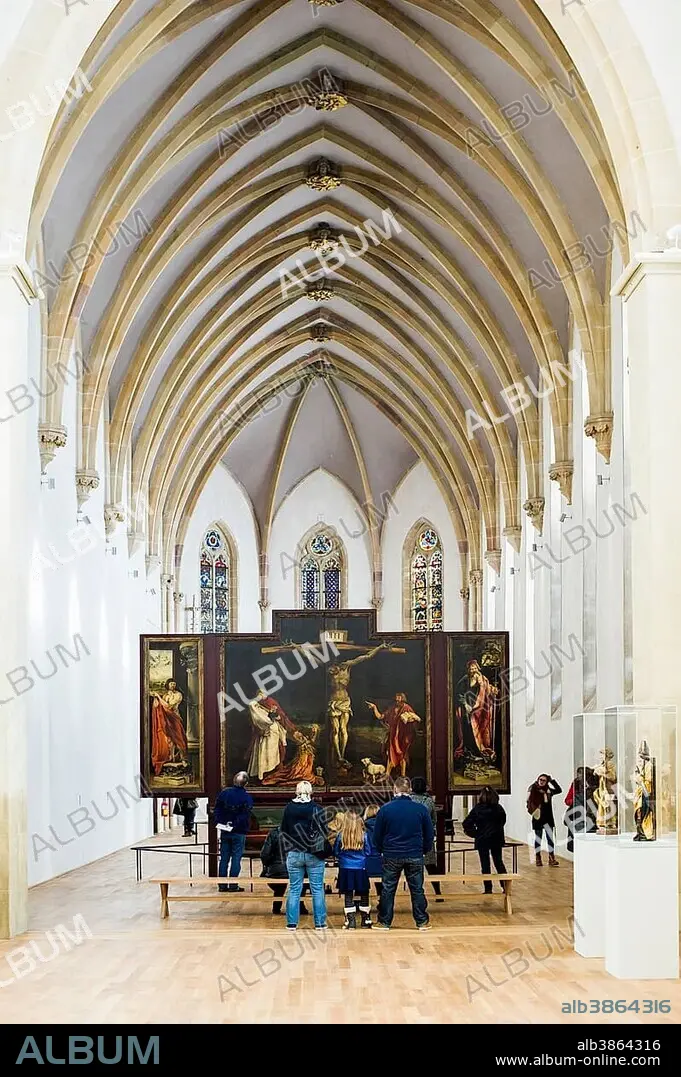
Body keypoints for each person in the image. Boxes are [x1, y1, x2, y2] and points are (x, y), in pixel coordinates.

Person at [372, 776, 434, 931]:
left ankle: (384, 922)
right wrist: (424, 850)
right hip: (415, 854)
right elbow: (429, 834)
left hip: (391, 854)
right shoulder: (420, 809)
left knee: (388, 889)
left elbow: (377, 835)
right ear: (410, 790)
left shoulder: (385, 809)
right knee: (417, 889)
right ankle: (422, 921)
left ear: (394, 789)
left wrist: (381, 850)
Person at [327, 643, 388, 764]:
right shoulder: (329, 669)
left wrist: (380, 647)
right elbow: (310, 657)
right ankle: (338, 756)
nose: (332, 671)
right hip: (334, 702)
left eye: (334, 669)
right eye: (331, 670)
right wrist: (297, 647)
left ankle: (342, 755)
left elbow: (367, 656)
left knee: (344, 730)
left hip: (345, 702)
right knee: (335, 730)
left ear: (339, 665)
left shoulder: (347, 666)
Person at [280, 780, 329, 930]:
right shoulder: (316, 808)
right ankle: (320, 923)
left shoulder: (289, 808)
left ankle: (291, 923)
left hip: (294, 852)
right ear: (311, 791)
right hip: (314, 853)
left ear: (296, 791)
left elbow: (283, 830)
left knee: (294, 889)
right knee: (317, 889)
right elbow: (325, 831)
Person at [462, 786, 507, 893]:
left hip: (482, 839)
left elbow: (466, 823)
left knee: (485, 864)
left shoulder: (478, 809)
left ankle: (488, 888)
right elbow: (502, 822)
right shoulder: (499, 808)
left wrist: (475, 833)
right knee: (499, 862)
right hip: (496, 838)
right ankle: (505, 886)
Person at [453, 659, 498, 764]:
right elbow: (459, 693)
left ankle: (478, 752)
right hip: (467, 708)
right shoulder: (465, 679)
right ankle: (469, 752)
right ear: (468, 670)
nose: (473, 670)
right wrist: (465, 704)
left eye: (474, 668)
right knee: (468, 729)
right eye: (471, 668)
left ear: (477, 668)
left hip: (479, 709)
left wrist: (493, 690)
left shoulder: (482, 679)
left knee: (479, 730)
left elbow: (487, 690)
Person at [214, 771, 253, 892]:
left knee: (224, 858)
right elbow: (245, 814)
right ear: (246, 783)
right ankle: (233, 885)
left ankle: (222, 885)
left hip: (225, 830)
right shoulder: (246, 797)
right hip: (239, 831)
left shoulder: (224, 793)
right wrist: (234, 824)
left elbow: (217, 809)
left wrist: (222, 822)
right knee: (236, 858)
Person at [366, 693, 422, 777]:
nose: (397, 701)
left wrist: (409, 719)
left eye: (399, 699)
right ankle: (387, 774)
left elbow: (415, 720)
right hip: (393, 735)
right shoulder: (392, 709)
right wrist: (374, 707)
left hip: (403, 735)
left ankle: (403, 776)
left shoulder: (407, 708)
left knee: (402, 754)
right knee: (391, 753)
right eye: (396, 699)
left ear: (403, 699)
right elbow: (380, 716)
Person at [259, 825, 308, 917]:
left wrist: (269, 864)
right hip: (297, 869)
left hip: (276, 870)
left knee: (279, 885)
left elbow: (264, 854)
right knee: (303, 880)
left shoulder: (274, 833)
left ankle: (276, 907)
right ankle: (300, 906)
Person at [335, 810, 372, 929]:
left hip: (345, 868)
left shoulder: (341, 835)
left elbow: (336, 852)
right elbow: (368, 852)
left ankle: (351, 921)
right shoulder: (364, 835)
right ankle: (365, 919)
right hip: (361, 867)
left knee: (348, 894)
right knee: (364, 893)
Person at [409, 777, 442, 900]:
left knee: (410, 868)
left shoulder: (408, 800)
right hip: (425, 837)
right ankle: (438, 892)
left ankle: (416, 894)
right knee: (431, 866)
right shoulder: (428, 801)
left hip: (410, 838)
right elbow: (434, 819)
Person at [150, 680, 188, 776]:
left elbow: (169, 707)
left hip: (175, 718)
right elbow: (161, 707)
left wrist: (158, 697)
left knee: (179, 738)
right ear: (168, 685)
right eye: (171, 684)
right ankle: (171, 758)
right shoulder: (165, 696)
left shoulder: (178, 695)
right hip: (167, 720)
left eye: (174, 684)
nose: (173, 685)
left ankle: (183, 759)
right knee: (170, 740)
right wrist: (156, 701)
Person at [246, 696, 288, 781]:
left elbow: (279, 717)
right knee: (264, 753)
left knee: (273, 754)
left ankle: (271, 771)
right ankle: (262, 773)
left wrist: (274, 714)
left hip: (273, 733)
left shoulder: (268, 704)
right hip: (265, 735)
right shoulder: (255, 708)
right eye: (260, 694)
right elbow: (260, 722)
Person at [527, 773, 562, 866]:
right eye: (540, 779)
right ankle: (538, 858)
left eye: (544, 780)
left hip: (548, 817)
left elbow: (559, 790)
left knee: (550, 838)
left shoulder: (548, 790)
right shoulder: (533, 789)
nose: (541, 782)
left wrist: (552, 781)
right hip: (538, 817)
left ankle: (551, 858)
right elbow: (528, 802)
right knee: (538, 838)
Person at [563, 766, 597, 851]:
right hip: (578, 815)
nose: (579, 775)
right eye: (578, 773)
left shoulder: (594, 784)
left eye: (581, 773)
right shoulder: (576, 783)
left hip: (591, 816)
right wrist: (576, 801)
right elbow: (567, 800)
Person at [363, 804, 383, 900]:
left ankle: (363, 901)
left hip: (366, 862)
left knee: (362, 881)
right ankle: (383, 901)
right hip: (382, 861)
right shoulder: (385, 827)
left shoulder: (362, 828)